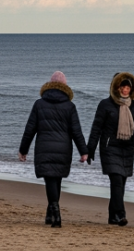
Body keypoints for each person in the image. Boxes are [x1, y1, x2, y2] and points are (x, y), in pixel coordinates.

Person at [19, 71, 88, 228]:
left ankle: (54, 212)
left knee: (50, 179)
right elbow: (76, 131)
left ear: (50, 85)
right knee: (56, 179)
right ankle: (52, 212)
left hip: (44, 146)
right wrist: (83, 151)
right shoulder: (70, 106)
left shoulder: (39, 104)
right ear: (64, 85)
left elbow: (30, 129)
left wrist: (23, 149)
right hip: (63, 148)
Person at [87, 72, 134, 226]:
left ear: (131, 88)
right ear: (116, 87)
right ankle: (121, 215)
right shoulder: (105, 105)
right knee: (116, 181)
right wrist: (90, 149)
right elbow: (96, 128)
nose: (125, 89)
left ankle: (112, 217)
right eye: (122, 86)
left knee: (121, 184)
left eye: (127, 87)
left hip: (127, 149)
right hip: (110, 148)